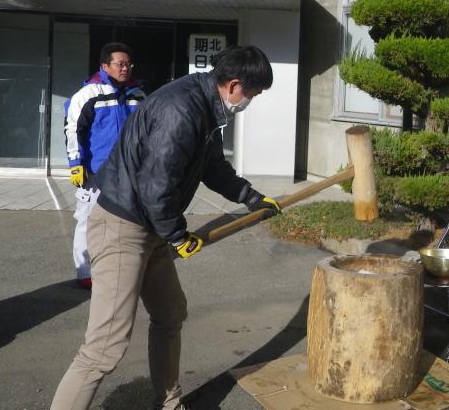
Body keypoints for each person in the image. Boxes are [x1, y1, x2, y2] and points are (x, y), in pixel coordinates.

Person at [50, 45, 282, 410]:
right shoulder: (182, 110)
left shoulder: (208, 105)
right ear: (234, 84)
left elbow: (211, 166)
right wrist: (176, 234)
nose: (251, 100)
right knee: (104, 348)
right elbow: (156, 185)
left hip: (150, 224)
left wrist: (250, 197)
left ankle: (168, 403)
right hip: (123, 226)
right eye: (252, 93)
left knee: (170, 313)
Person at [63, 42, 145, 290]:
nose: (125, 68)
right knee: (88, 220)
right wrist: (76, 164)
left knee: (130, 220)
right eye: (120, 64)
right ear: (104, 66)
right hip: (97, 172)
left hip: (130, 172)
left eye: (128, 64)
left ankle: (122, 267)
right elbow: (73, 130)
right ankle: (85, 272)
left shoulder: (138, 94)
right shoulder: (87, 95)